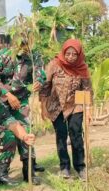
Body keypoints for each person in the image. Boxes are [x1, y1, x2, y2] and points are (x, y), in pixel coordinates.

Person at [0, 44, 46, 185]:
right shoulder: (2, 56)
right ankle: (0, 174)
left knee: (26, 132)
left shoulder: (35, 55)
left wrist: (39, 82)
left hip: (22, 101)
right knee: (3, 135)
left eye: (28, 43)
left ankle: (29, 173)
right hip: (1, 101)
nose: (26, 47)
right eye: (23, 43)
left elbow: (40, 73)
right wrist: (7, 94)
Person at [39, 39, 92, 180]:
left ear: (79, 54)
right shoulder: (54, 64)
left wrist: (88, 110)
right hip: (56, 106)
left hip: (76, 105)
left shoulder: (82, 67)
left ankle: (80, 167)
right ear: (63, 52)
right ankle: (65, 167)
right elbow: (45, 86)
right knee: (61, 136)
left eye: (74, 54)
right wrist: (43, 106)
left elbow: (86, 89)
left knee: (76, 134)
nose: (70, 57)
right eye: (68, 53)